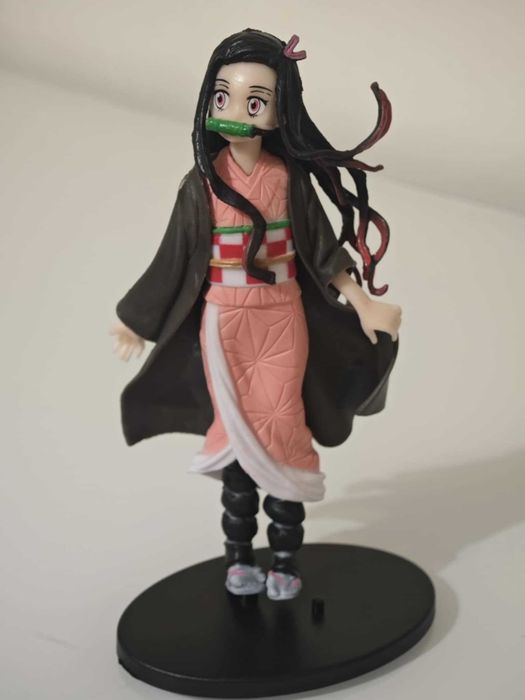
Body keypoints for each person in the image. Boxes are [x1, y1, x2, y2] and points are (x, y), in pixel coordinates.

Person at [111, 29, 401, 601]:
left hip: (282, 316)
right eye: (224, 97)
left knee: (282, 425)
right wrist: (137, 320)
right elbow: (172, 259)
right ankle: (240, 556)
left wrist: (363, 301)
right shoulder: (200, 185)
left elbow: (322, 250)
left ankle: (286, 558)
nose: (235, 112)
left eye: (255, 101)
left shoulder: (288, 180)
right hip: (224, 321)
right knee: (236, 436)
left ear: (277, 113)